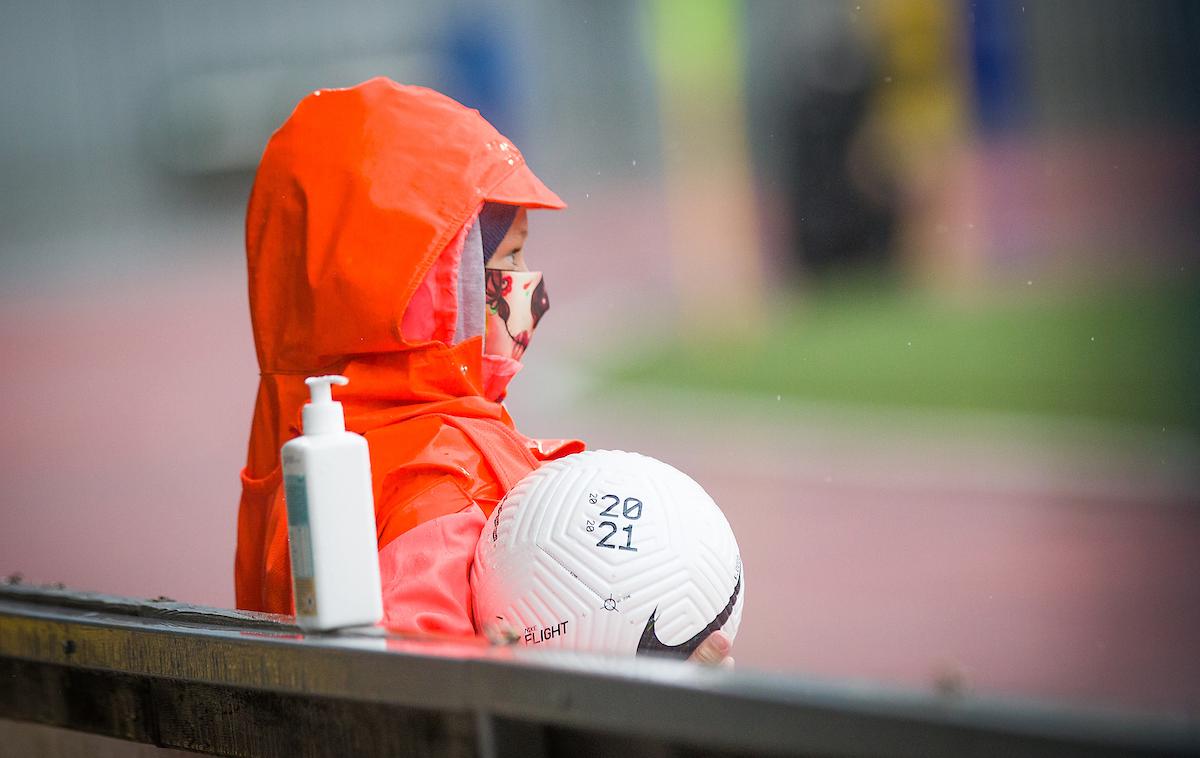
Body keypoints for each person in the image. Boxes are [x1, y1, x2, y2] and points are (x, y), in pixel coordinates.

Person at [235, 78, 731, 665]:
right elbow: (429, 703)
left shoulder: (322, 446)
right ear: (432, 290)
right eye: (511, 257)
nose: (530, 284)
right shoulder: (430, 485)